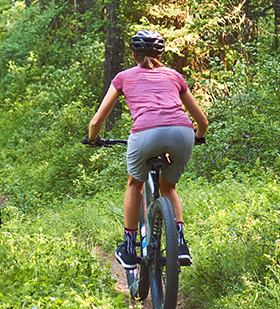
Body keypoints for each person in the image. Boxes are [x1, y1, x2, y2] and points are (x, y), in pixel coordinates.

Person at [86, 29, 208, 270]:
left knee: (135, 184)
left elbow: (96, 121)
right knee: (169, 187)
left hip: (145, 133)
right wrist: (199, 138)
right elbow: (202, 121)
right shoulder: (174, 76)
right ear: (161, 55)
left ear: (133, 55)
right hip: (182, 131)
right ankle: (181, 244)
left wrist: (93, 139)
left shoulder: (123, 77)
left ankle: (130, 247)